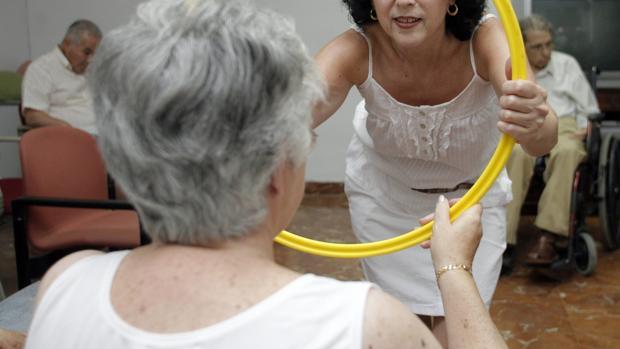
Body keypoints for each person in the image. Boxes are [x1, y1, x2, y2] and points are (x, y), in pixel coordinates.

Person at [24, 1, 508, 348]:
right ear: (277, 170)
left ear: (127, 167)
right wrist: (454, 269)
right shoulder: (363, 322)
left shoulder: (63, 285)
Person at [313, 0, 558, 344]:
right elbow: (285, 113)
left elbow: (542, 139)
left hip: (470, 208)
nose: (404, 2)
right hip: (386, 207)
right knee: (402, 333)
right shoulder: (357, 48)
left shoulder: (486, 39)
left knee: (457, 331)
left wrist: (533, 122)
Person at [505, 14, 600, 267]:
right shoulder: (512, 67)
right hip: (527, 127)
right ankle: (503, 242)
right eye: (537, 47)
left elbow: (589, 109)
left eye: (549, 44)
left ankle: (549, 236)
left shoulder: (566, 64)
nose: (545, 52)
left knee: (568, 151)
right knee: (514, 155)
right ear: (522, 46)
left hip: (566, 125)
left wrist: (583, 130)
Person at [21, 20, 101, 134]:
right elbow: (33, 116)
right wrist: (65, 127)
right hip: (69, 138)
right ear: (67, 44)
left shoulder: (89, 69)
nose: (90, 60)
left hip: (102, 137)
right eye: (86, 52)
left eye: (94, 54)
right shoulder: (41, 69)